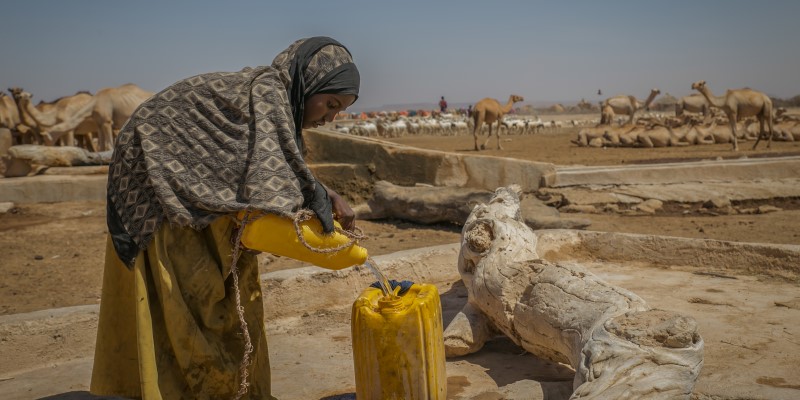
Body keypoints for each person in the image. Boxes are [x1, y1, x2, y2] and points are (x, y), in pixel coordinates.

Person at [90, 36, 360, 399]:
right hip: (158, 196)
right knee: (188, 310)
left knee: (232, 300)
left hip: (194, 195)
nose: (330, 117)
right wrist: (322, 207)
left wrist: (324, 193)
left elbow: (280, 170)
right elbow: (274, 184)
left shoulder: (275, 100)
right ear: (307, 83)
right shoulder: (268, 95)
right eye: (329, 104)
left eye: (339, 109)